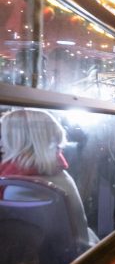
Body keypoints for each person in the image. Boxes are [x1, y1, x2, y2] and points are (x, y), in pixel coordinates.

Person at [0, 108, 98, 251]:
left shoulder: (22, 187)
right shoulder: (55, 172)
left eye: (5, 136)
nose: (1, 142)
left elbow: (16, 245)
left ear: (21, 141)